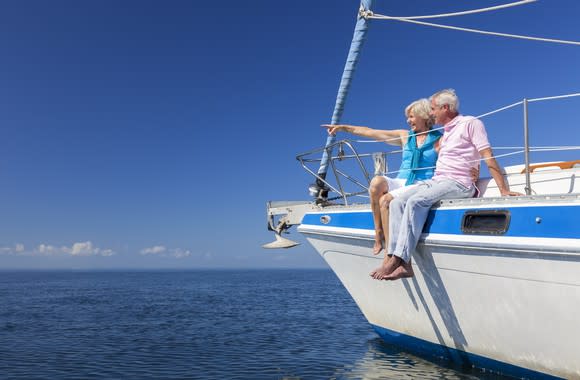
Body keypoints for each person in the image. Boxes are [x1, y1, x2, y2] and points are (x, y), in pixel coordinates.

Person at [376, 89, 521, 281]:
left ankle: (397, 258)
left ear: (446, 108)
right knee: (397, 202)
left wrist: (503, 189)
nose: (431, 113)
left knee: (416, 202)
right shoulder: (445, 133)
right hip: (437, 180)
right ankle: (405, 264)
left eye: (434, 109)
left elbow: (487, 154)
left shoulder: (471, 123)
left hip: (459, 183)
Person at [323, 98, 442, 262]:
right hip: (402, 180)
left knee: (386, 201)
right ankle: (378, 231)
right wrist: (343, 128)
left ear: (424, 116)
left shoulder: (439, 139)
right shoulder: (405, 136)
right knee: (376, 183)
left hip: (420, 183)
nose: (409, 120)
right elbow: (371, 132)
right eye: (408, 117)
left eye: (412, 116)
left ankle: (389, 251)